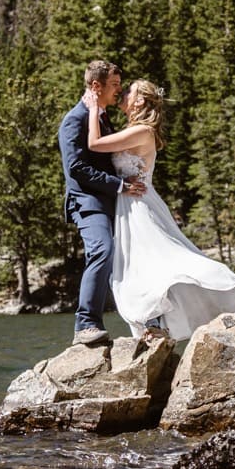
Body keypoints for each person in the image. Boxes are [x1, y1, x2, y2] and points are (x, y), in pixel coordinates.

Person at [84, 78, 235, 342]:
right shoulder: (134, 128)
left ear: (139, 101)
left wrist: (92, 108)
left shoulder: (143, 131)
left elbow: (95, 144)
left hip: (139, 206)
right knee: (142, 265)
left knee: (160, 261)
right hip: (129, 204)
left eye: (128, 91)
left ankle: (220, 294)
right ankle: (154, 323)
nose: (122, 93)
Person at [59, 61, 146, 345]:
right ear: (96, 86)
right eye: (114, 85)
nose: (119, 91)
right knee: (101, 250)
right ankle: (85, 325)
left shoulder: (102, 117)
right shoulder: (75, 119)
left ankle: (150, 321)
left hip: (112, 203)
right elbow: (76, 168)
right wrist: (120, 185)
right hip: (87, 202)